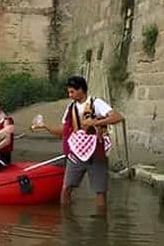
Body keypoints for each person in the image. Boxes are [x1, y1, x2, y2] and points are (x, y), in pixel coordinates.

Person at [31, 75, 123, 209]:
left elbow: (117, 117)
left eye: (72, 92)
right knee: (66, 187)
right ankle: (66, 220)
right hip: (76, 152)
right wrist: (45, 126)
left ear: (81, 90)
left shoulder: (96, 103)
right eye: (69, 92)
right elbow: (64, 131)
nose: (70, 95)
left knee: (100, 191)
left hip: (96, 151)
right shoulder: (70, 108)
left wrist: (96, 122)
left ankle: (101, 224)